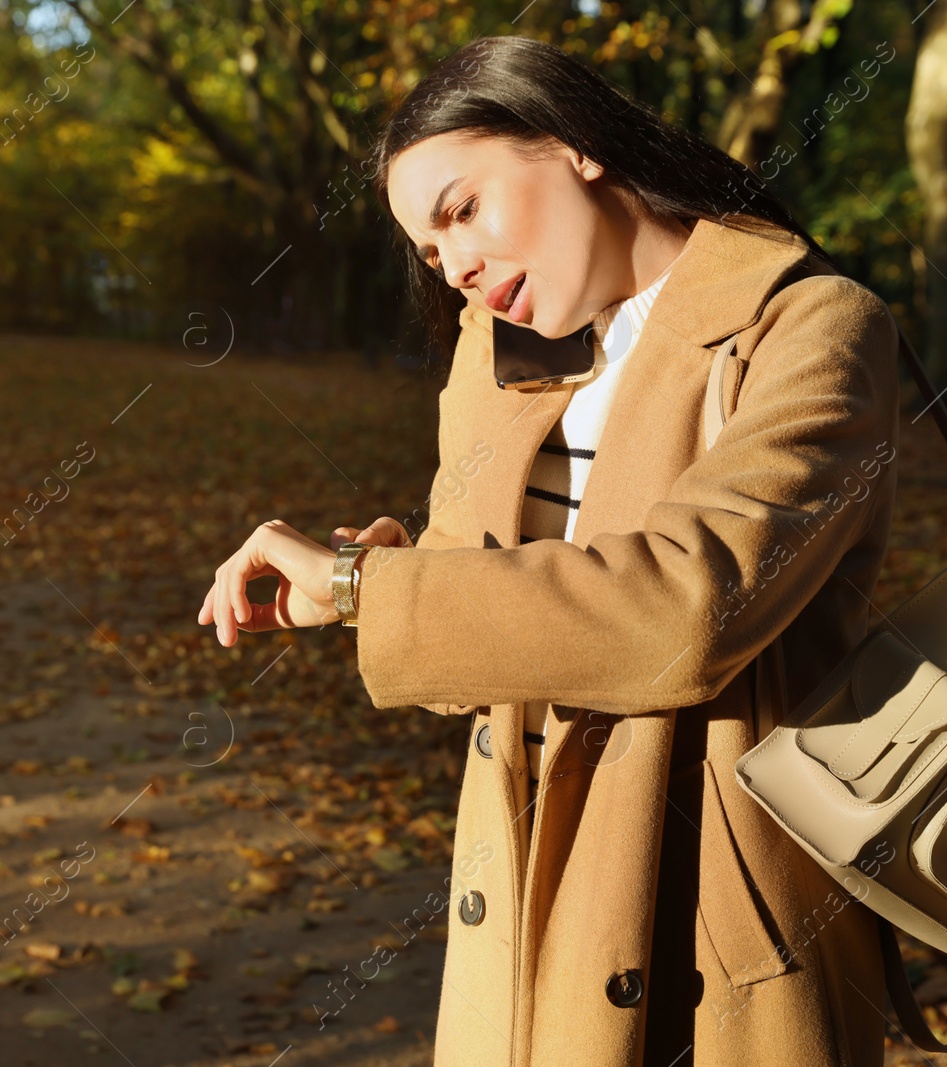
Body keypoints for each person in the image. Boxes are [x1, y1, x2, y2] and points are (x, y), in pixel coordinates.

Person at [199, 35, 899, 1067]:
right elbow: (470, 631)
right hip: (519, 891)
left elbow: (684, 608)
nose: (457, 266)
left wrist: (373, 589)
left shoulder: (811, 326)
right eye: (430, 253)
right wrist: (374, 582)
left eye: (461, 209)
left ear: (572, 144)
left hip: (718, 903)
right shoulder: (494, 355)